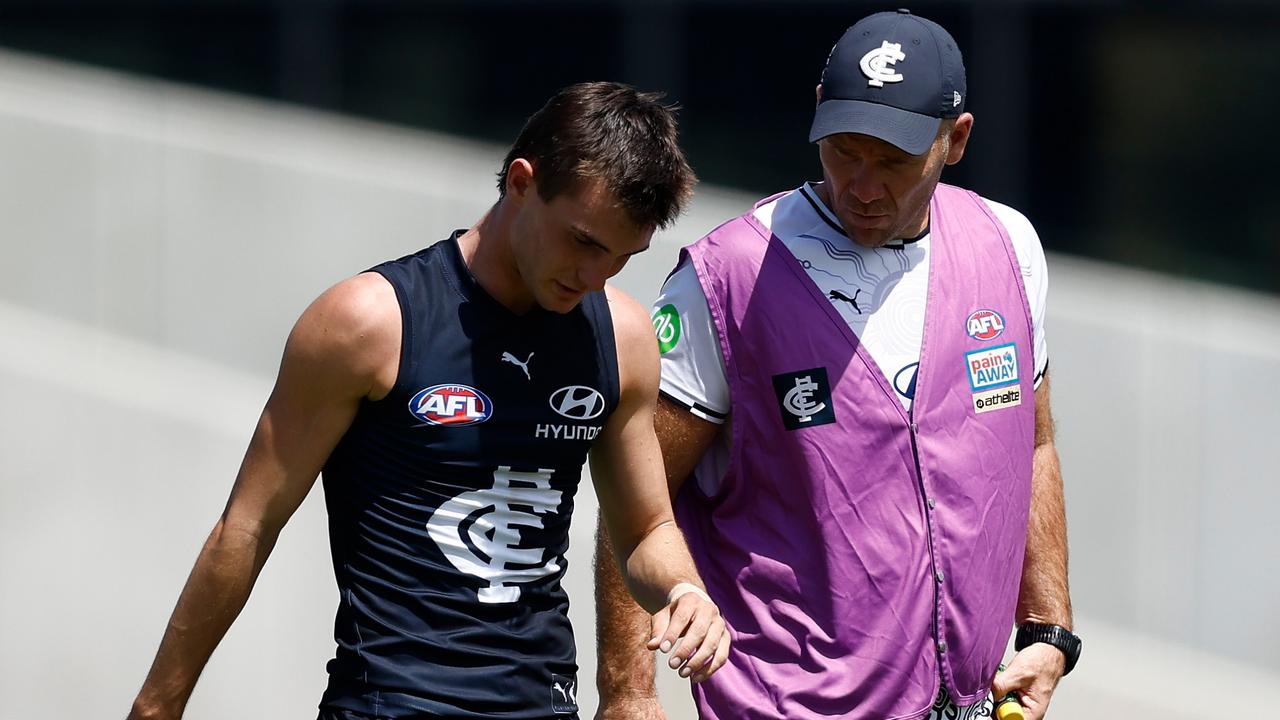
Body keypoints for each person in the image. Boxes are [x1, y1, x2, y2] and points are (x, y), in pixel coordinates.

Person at [127, 81, 730, 720]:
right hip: (391, 702)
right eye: (582, 242)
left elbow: (645, 531)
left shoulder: (623, 337)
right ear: (521, 182)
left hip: (543, 705)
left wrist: (685, 588)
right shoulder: (368, 322)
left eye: (619, 258)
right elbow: (247, 527)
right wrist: (156, 707)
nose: (593, 277)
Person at [595, 10, 1079, 720]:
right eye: (844, 150)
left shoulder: (1011, 247)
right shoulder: (726, 278)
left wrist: (1046, 629)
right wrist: (628, 693)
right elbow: (634, 504)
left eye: (892, 161)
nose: (862, 184)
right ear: (818, 115)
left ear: (958, 139)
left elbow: (1031, 444)